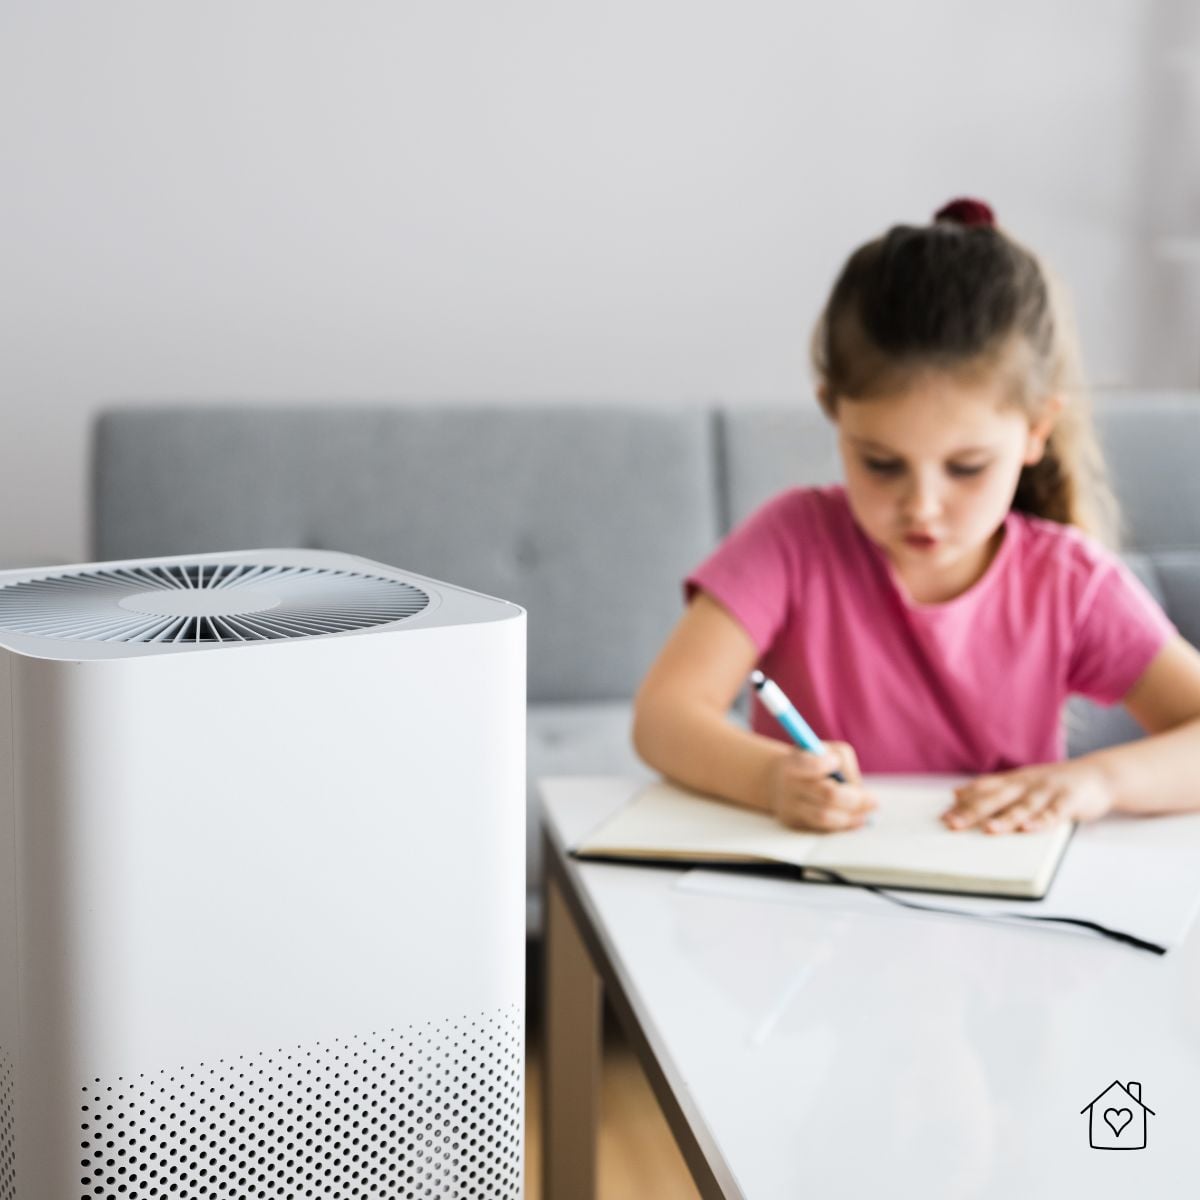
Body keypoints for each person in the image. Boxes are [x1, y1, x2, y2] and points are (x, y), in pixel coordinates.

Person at [632, 198, 1200, 836]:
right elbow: (664, 715)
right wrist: (769, 780)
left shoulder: (1069, 581)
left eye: (966, 468)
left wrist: (1098, 780)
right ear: (834, 411)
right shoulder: (792, 542)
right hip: (806, 910)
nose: (921, 506)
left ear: (1037, 428)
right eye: (881, 463)